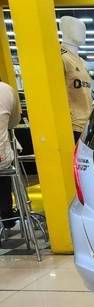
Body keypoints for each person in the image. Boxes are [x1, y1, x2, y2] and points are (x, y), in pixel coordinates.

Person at [0, 80, 21, 228]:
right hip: (2, 157)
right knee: (4, 174)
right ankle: (7, 216)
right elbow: (14, 122)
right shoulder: (7, 90)